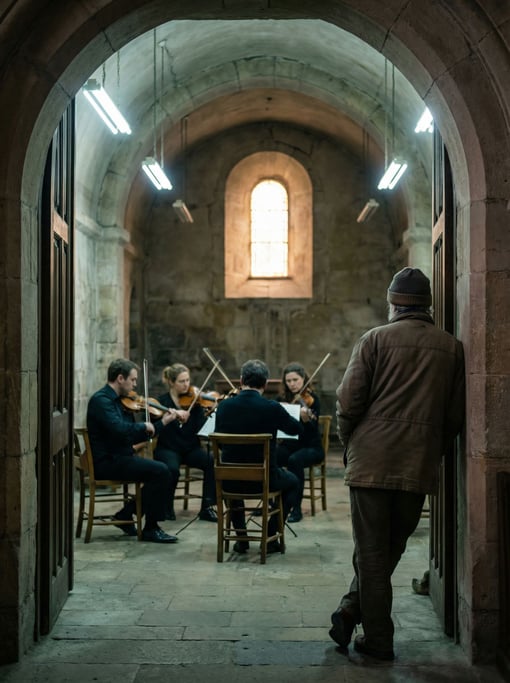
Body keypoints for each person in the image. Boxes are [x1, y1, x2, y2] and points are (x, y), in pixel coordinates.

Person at [329, 267, 465, 661]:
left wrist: (350, 443)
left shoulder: (374, 340)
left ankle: (378, 640)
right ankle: (351, 609)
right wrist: (429, 449)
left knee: (371, 553)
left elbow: (347, 402)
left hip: (370, 461)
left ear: (393, 304)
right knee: (391, 548)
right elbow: (455, 417)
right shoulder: (452, 348)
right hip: (416, 464)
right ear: (426, 306)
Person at [86, 358, 180, 544]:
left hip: (120, 456)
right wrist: (143, 425)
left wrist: (163, 422)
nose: (135, 384)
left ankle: (126, 515)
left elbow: (132, 436)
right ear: (120, 378)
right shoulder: (101, 401)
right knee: (161, 471)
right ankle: (150, 528)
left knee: (161, 471)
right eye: (133, 380)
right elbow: (120, 429)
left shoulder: (121, 402)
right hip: (108, 462)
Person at [214, 358, 303, 554]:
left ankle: (242, 539)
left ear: (240, 381)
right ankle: (270, 537)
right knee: (294, 482)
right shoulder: (271, 407)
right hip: (265, 480)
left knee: (234, 472)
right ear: (264, 384)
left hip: (229, 480)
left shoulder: (224, 407)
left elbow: (219, 444)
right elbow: (294, 428)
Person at [153, 363, 217, 523]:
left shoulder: (195, 403)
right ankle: (166, 507)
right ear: (172, 382)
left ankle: (207, 508)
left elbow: (201, 428)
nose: (186, 384)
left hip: (190, 449)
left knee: (211, 462)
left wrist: (208, 411)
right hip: (168, 448)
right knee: (172, 470)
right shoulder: (162, 402)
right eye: (182, 381)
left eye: (188, 380)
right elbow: (155, 428)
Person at [275, 362, 324, 522]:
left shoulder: (312, 400)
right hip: (290, 445)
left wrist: (306, 420)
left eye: (295, 380)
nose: (292, 384)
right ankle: (272, 504)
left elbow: (312, 430)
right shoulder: (281, 399)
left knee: (294, 460)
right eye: (288, 381)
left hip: (311, 447)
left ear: (303, 379)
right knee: (271, 455)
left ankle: (296, 508)